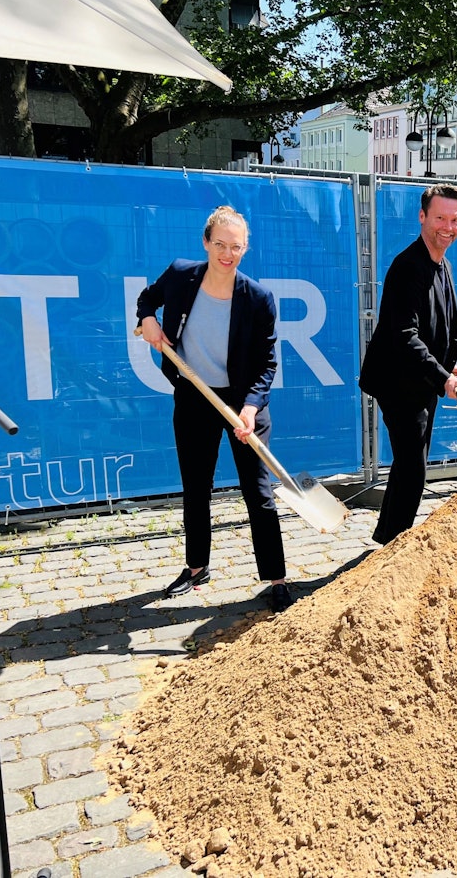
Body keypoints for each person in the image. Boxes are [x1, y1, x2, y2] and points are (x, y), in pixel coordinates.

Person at [136, 205, 291, 613]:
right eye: (219, 244)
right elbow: (146, 300)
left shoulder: (258, 298)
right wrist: (147, 319)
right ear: (206, 243)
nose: (227, 253)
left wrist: (250, 410)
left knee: (258, 492)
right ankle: (196, 567)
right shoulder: (181, 276)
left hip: (242, 405)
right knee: (196, 489)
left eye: (235, 247)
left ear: (245, 248)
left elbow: (266, 363)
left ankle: (276, 578)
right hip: (195, 397)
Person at [359, 184, 457, 545]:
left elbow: (438, 326)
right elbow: (404, 335)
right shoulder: (407, 266)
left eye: (454, 220)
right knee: (414, 468)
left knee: (408, 465)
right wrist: (442, 378)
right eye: (440, 218)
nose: (448, 227)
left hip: (422, 381)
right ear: (423, 217)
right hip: (398, 383)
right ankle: (398, 544)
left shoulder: (443, 263)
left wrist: (446, 369)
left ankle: (386, 538)